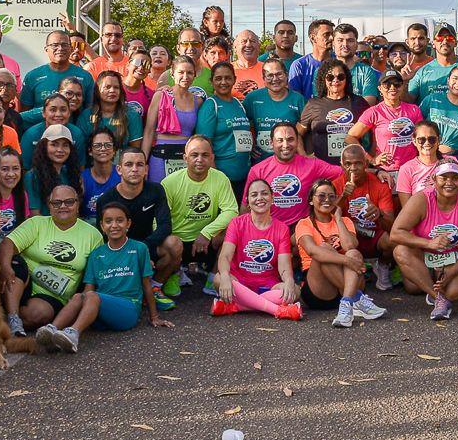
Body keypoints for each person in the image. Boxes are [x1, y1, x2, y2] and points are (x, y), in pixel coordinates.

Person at [36, 202, 169, 352]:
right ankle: (52, 330)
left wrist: (154, 316)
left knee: (92, 296)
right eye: (108, 221)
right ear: (102, 225)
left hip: (127, 311)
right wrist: (76, 304)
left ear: (128, 224)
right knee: (80, 296)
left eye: (119, 220)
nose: (114, 225)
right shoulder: (96, 254)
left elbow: (146, 284)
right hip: (99, 313)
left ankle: (73, 334)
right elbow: (89, 288)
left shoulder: (139, 248)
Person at [0, 182, 103, 336]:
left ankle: (2, 315)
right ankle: (13, 318)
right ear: (49, 205)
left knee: (38, 315)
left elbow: (94, 274)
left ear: (77, 204)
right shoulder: (37, 223)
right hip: (22, 282)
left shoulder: (93, 235)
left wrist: (80, 302)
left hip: (53, 295)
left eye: (69, 202)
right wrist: (5, 266)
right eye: (57, 202)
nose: (63, 206)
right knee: (14, 263)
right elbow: (8, 244)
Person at [389, 160, 458, 320]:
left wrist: (452, 273)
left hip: (451, 256)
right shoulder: (421, 200)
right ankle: (437, 297)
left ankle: (439, 288)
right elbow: (396, 233)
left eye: (455, 177)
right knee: (401, 254)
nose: (449, 182)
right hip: (422, 254)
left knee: (455, 292)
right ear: (433, 179)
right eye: (443, 177)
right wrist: (429, 243)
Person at [295, 177, 387, 327]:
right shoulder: (304, 223)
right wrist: (346, 260)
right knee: (323, 250)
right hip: (319, 289)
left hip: (346, 283)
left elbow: (350, 245)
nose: (327, 200)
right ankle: (357, 298)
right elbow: (312, 251)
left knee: (353, 253)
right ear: (311, 200)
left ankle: (347, 304)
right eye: (321, 196)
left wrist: (338, 219)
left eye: (332, 196)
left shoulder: (345, 221)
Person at [212, 177, 302, 320]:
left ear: (272, 198)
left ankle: (237, 306)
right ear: (248, 201)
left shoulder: (282, 228)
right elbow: (225, 256)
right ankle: (277, 310)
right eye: (254, 195)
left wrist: (289, 280)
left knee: (295, 291)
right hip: (239, 282)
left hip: (268, 284)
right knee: (218, 278)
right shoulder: (236, 223)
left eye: (264, 193)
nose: (260, 198)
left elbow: (284, 265)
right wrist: (224, 276)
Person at [94, 146, 173, 306]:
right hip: (119, 252)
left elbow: (165, 225)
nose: (135, 169)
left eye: (140, 165)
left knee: (174, 244)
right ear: (119, 169)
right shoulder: (106, 200)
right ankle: (133, 290)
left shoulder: (156, 190)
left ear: (146, 169)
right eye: (129, 164)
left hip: (147, 245)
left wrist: (143, 250)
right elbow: (103, 237)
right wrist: (130, 254)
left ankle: (154, 288)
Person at [161, 135, 239, 297]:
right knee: (171, 242)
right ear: (185, 158)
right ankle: (174, 274)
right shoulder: (169, 183)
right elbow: (159, 220)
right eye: (194, 155)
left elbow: (231, 211)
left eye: (205, 155)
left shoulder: (220, 178)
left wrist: (207, 232)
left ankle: (214, 277)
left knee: (233, 232)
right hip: (179, 242)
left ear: (212, 158)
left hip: (206, 241)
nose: (199, 159)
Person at [247, 122, 343, 230]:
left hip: (301, 228)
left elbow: (344, 172)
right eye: (280, 140)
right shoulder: (257, 170)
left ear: (297, 141)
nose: (285, 145)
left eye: (290, 139)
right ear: (271, 143)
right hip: (270, 227)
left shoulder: (312, 165)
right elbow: (245, 206)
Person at [142, 56, 217, 182]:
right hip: (161, 157)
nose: (185, 76)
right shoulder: (161, 96)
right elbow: (149, 131)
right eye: (181, 72)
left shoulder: (197, 101)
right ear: (172, 74)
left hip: (186, 159)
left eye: (190, 73)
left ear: (194, 75)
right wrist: (142, 162)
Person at [337, 142, 398, 290]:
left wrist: (379, 214)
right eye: (348, 164)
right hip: (349, 237)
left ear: (365, 163)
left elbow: (391, 225)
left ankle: (382, 267)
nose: (352, 168)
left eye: (358, 163)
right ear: (341, 164)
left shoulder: (380, 185)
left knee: (392, 241)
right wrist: (344, 197)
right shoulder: (336, 184)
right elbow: (328, 217)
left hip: (374, 235)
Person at [350, 71, 423, 181]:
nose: (392, 87)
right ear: (380, 89)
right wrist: (371, 159)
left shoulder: (414, 109)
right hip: (385, 171)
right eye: (387, 85)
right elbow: (350, 137)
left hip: (412, 169)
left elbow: (422, 136)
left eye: (397, 84)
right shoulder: (374, 112)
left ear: (402, 87)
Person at [298, 59, 369, 162]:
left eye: (340, 77)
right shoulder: (313, 104)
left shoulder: (359, 103)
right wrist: (304, 156)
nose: (335, 81)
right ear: (324, 80)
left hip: (353, 167)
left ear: (347, 79)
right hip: (322, 169)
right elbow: (297, 133)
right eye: (330, 77)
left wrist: (369, 159)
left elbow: (373, 133)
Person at [202, 61, 254, 200]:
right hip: (223, 177)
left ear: (234, 80)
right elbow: (204, 145)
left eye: (227, 78)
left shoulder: (239, 103)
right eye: (218, 78)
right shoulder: (211, 105)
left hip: (245, 176)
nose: (223, 82)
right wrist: (216, 179)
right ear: (211, 81)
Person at [242, 58, 305, 164]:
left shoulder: (298, 99)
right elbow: (243, 125)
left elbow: (305, 130)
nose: (275, 79)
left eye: (279, 74)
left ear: (286, 75)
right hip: (261, 162)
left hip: (291, 162)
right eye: (270, 75)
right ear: (263, 78)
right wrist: (249, 144)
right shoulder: (252, 98)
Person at [19, 29, 95, 112]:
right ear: (46, 49)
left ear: (70, 48)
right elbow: (24, 113)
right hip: (41, 124)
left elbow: (90, 111)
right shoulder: (33, 76)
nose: (60, 48)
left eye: (64, 45)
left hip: (75, 125)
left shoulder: (85, 76)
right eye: (55, 45)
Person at [24, 125, 82, 217]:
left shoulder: (71, 173)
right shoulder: (33, 176)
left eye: (65, 145)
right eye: (54, 144)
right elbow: (35, 215)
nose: (60, 150)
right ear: (44, 147)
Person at [86, 70, 144, 154]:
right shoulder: (86, 115)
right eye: (108, 87)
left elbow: (134, 151)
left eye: (116, 87)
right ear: (97, 90)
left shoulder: (132, 115)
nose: (112, 90)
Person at [396, 120, 451, 204]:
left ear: (439, 140)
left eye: (431, 139)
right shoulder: (406, 169)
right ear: (414, 141)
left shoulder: (450, 162)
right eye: (421, 140)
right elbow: (407, 209)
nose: (427, 143)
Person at [287, 18, 334, 98]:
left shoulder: (339, 62)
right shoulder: (299, 65)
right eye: (326, 34)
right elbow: (295, 99)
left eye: (333, 34)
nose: (331, 38)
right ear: (313, 38)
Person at [80, 129, 121, 219]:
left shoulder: (122, 175)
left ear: (114, 150)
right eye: (97, 146)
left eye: (108, 145)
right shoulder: (82, 178)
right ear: (90, 151)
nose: (103, 149)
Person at [230, 30, 267, 98]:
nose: (248, 44)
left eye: (252, 41)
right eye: (244, 41)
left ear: (259, 47)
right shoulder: (227, 70)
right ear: (235, 48)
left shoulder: (267, 70)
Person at [123, 49, 156, 114]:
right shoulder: (115, 87)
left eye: (146, 65)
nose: (141, 68)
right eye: (137, 62)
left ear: (149, 70)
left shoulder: (151, 96)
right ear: (128, 65)